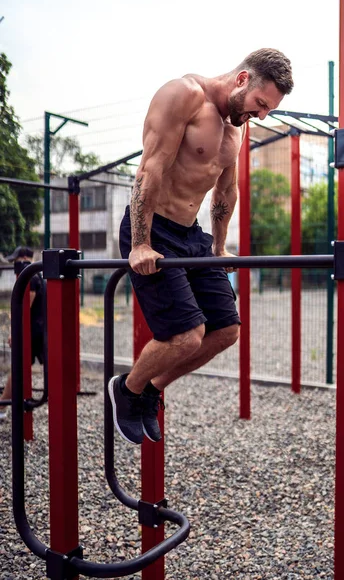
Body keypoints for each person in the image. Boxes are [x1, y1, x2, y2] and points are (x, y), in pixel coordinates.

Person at [109, 48, 294, 444]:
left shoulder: (239, 126)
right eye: (261, 104)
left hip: (194, 236)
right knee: (187, 335)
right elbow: (150, 169)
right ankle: (127, 390)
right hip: (154, 230)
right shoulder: (184, 95)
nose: (262, 115)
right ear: (242, 79)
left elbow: (227, 189)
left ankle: (152, 388)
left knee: (226, 330)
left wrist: (220, 246)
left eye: (269, 111)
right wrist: (140, 243)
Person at [0, 246, 45, 420]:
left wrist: (15, 331)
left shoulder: (30, 277)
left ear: (24, 258)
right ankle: (5, 403)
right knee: (23, 366)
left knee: (18, 366)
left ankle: (3, 405)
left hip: (32, 330)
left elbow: (24, 307)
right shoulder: (36, 275)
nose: (14, 266)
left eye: (16, 261)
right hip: (38, 328)